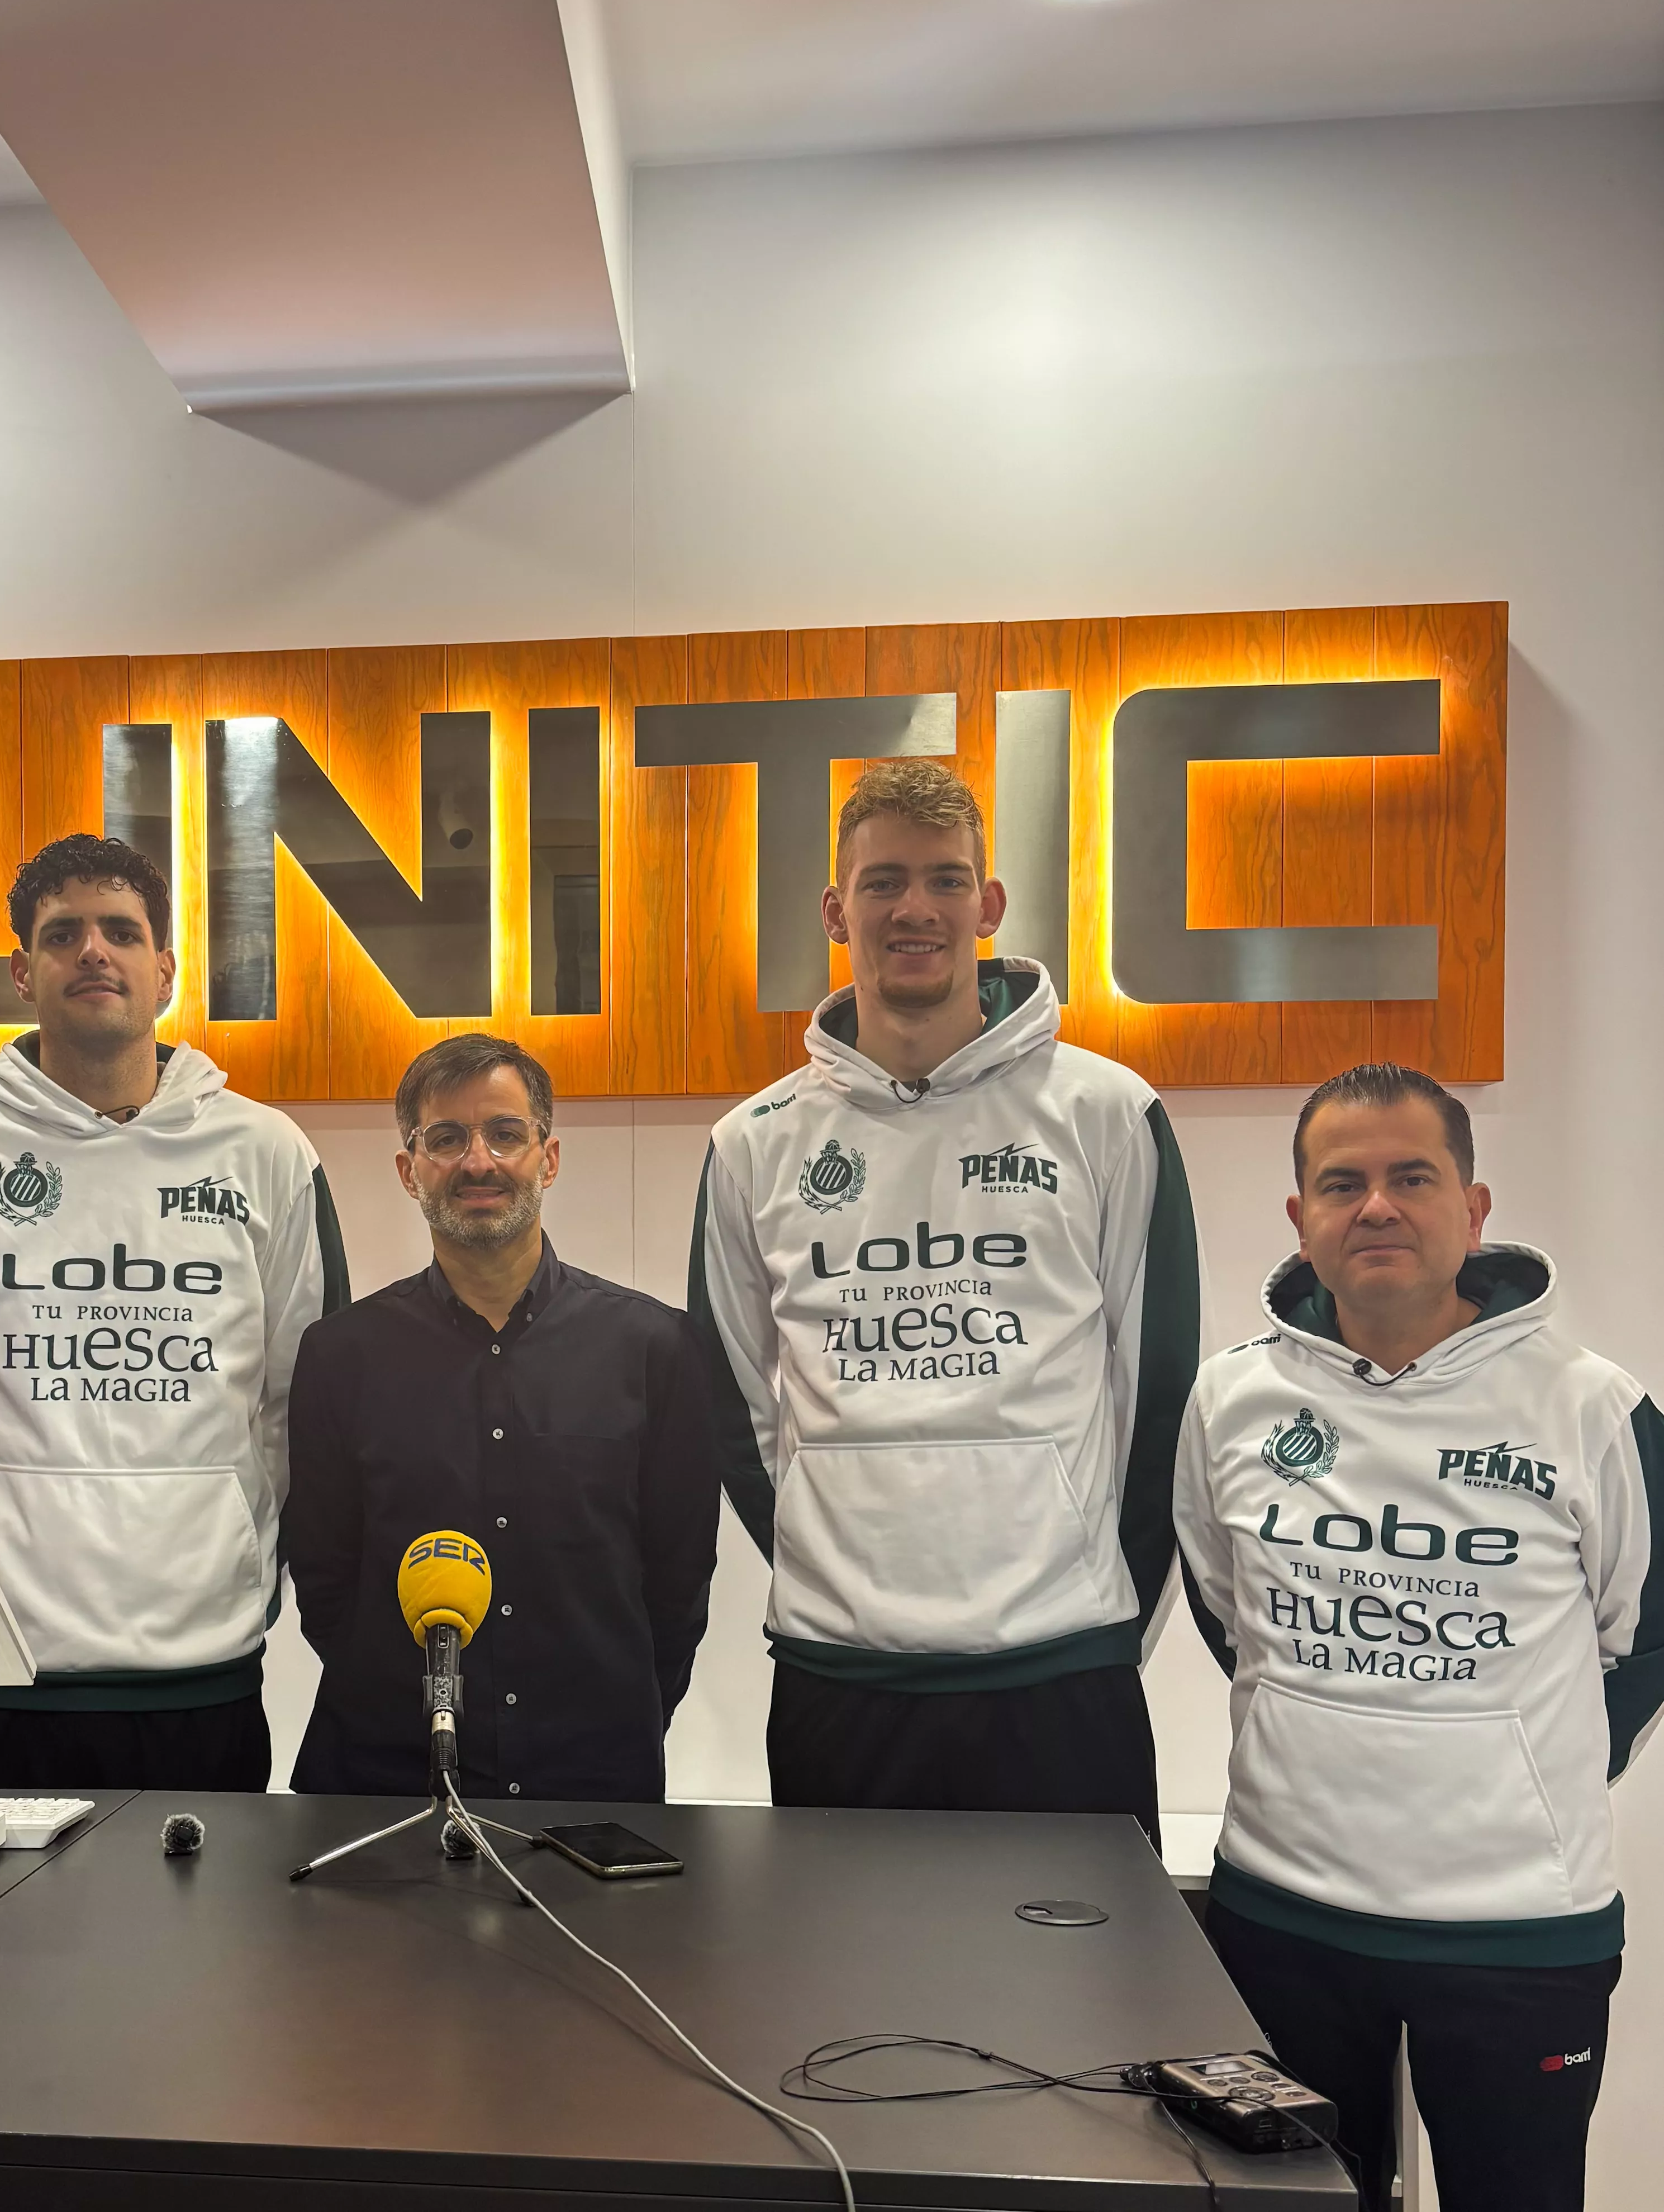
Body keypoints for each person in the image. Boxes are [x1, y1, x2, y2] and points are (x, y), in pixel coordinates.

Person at [1175, 1063, 1663, 2212]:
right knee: (1287, 2204)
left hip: (1517, 1938)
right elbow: (1225, 1602)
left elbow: (1639, 1638)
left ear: (1472, 1206)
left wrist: (1513, 1768)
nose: (1376, 1205)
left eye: (1410, 1176)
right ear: (1299, 1218)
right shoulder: (1228, 1400)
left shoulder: (1589, 1406)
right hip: (1279, 1918)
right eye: (1340, 1182)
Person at [691, 759, 1198, 1826]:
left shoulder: (1106, 1112)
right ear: (836, 911)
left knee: (1084, 1996)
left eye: (943, 879)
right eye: (881, 883)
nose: (913, 908)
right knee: (851, 1997)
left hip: (1060, 1674)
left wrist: (1103, 1609)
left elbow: (1157, 1392)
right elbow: (729, 1405)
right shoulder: (752, 1143)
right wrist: (834, 1554)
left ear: (989, 904)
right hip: (842, 1682)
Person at [0, 832, 348, 1792]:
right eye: (63, 933)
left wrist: (248, 1576)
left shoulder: (269, 1153)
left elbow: (303, 1403)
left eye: (121, 931)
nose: (93, 951)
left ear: (164, 968)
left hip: (202, 1676)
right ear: (21, 969)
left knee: (208, 1946)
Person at [283, 1034, 718, 1801]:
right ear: (408, 1169)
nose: (477, 1161)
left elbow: (677, 1580)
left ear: (547, 1158)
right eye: (445, 1139)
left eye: (505, 1134)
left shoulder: (654, 1348)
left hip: (591, 1780)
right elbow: (324, 1575)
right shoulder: (339, 1355)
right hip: (384, 1776)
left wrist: (621, 1712)